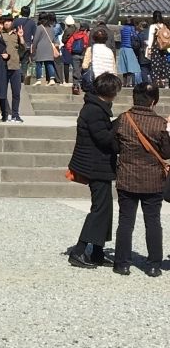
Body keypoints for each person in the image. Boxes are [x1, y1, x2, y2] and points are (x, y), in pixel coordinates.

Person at [113, 82, 170, 277]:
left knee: (125, 221)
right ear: (154, 101)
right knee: (153, 221)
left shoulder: (123, 119)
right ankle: (154, 264)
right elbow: (166, 152)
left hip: (127, 176)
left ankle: (122, 263)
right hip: (153, 179)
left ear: (134, 98)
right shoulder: (161, 123)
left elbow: (113, 144)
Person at [67, 72, 121, 269]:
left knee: (105, 209)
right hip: (95, 165)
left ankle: (97, 251)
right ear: (110, 91)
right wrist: (120, 125)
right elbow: (105, 139)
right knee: (99, 209)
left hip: (99, 164)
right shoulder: (94, 110)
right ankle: (79, 251)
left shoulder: (97, 107)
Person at [1, 16, 25, 122]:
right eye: (5, 22)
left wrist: (21, 37)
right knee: (2, 92)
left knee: (16, 92)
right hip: (3, 66)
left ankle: (15, 114)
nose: (7, 23)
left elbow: (24, 48)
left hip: (15, 66)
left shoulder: (16, 34)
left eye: (9, 21)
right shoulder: (0, 34)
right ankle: (5, 113)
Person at [31, 12, 57, 85]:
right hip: (49, 47)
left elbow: (35, 39)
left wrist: (33, 48)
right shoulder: (51, 27)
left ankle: (38, 79)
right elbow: (53, 39)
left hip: (40, 48)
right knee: (49, 63)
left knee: (39, 64)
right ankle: (52, 79)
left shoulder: (39, 27)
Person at [12, 5, 36, 82]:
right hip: (28, 44)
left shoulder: (16, 21)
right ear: (29, 13)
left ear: (21, 13)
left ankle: (16, 76)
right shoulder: (32, 22)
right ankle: (23, 77)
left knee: (16, 60)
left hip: (17, 44)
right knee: (25, 62)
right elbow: (34, 35)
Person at [65, 23, 90, 94]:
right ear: (85, 30)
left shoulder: (74, 35)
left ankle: (75, 86)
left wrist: (72, 52)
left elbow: (68, 45)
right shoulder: (86, 36)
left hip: (75, 55)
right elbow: (87, 45)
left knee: (76, 70)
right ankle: (83, 85)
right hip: (83, 55)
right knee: (84, 70)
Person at [147, 11, 170, 87]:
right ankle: (165, 82)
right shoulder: (164, 26)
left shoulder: (153, 26)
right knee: (164, 64)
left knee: (155, 65)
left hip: (156, 47)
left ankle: (156, 82)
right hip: (164, 47)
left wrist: (149, 48)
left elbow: (150, 38)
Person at [118, 18, 142, 88]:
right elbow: (135, 37)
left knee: (124, 67)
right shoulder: (132, 28)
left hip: (122, 48)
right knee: (130, 67)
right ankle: (128, 83)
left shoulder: (122, 28)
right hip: (129, 48)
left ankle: (124, 83)